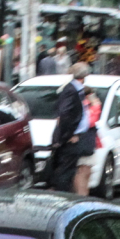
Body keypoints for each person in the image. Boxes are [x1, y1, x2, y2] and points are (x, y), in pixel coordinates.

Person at [49, 62, 90, 193]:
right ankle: (62, 196)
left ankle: (64, 193)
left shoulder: (75, 89)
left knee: (69, 170)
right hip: (70, 139)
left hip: (74, 137)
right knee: (65, 171)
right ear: (84, 75)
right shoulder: (71, 90)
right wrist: (69, 135)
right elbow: (65, 113)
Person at [73, 89, 103, 196]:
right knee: (82, 171)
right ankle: (81, 196)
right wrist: (95, 106)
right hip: (83, 143)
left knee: (87, 171)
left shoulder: (86, 105)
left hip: (88, 143)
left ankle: (84, 195)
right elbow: (90, 121)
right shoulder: (84, 106)